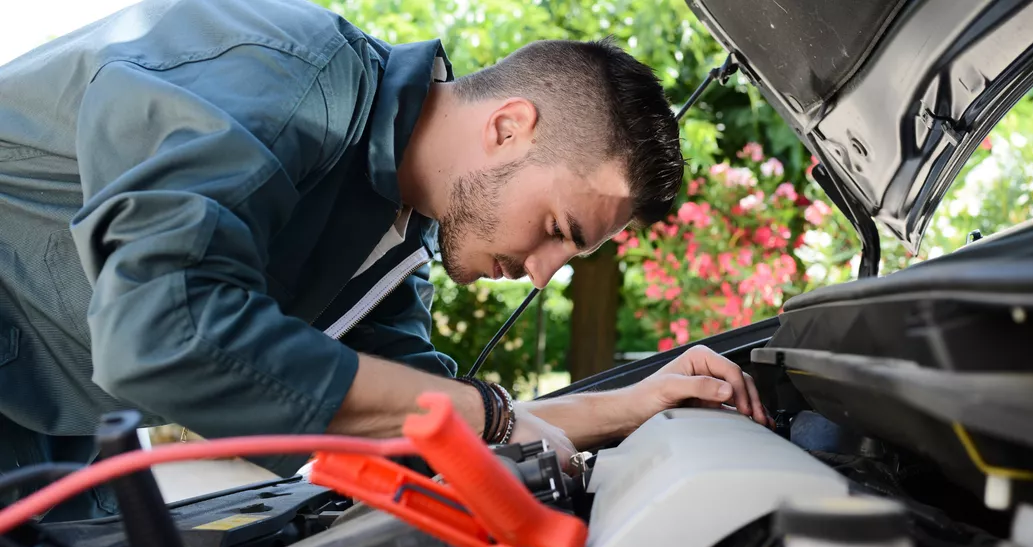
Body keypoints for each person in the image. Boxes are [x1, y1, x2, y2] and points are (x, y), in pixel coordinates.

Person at [0, 0, 768, 520]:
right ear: (508, 127)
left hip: (49, 435)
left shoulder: (394, 256)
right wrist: (480, 412)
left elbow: (430, 424)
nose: (542, 272)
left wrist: (636, 403)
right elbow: (164, 331)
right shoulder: (289, 75)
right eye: (557, 227)